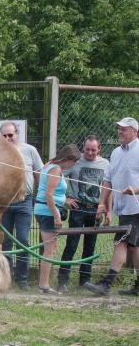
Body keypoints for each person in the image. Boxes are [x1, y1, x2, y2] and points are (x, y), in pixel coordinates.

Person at [85, 117, 139, 296]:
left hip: (137, 207)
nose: (119, 132)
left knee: (121, 242)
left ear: (134, 131)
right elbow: (107, 180)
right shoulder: (115, 152)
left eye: (124, 129)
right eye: (119, 129)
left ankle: (106, 284)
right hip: (123, 208)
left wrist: (135, 190)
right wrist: (101, 203)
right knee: (134, 247)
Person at [57, 135, 110, 293]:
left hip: (96, 210)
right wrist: (64, 198)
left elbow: (109, 187)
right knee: (71, 245)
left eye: (94, 150)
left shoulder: (106, 164)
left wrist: (108, 210)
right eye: (87, 149)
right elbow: (56, 175)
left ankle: (85, 280)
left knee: (90, 247)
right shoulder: (75, 162)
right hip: (78, 208)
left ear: (99, 149)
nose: (90, 153)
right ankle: (63, 281)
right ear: (83, 148)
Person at [0, 121, 44, 290]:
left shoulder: (29, 150)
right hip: (4, 202)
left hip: (24, 202)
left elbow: (39, 174)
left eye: (10, 135)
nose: (7, 138)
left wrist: (38, 197)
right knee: (5, 242)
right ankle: (7, 277)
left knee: (23, 240)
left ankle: (22, 279)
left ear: (17, 134)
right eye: (4, 135)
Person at [34, 144, 80, 294]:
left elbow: (46, 187)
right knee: (50, 250)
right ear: (67, 159)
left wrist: (63, 200)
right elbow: (48, 194)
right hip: (47, 212)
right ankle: (44, 285)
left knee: (50, 249)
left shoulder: (49, 164)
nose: (73, 165)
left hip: (43, 210)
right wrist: (56, 215)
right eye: (74, 162)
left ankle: (43, 284)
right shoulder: (56, 169)